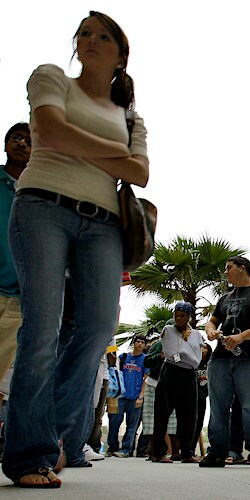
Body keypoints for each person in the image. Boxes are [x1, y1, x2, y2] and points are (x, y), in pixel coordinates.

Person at [2, 11, 149, 488]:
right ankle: (28, 454)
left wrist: (82, 145)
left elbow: (141, 172)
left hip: (105, 225)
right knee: (42, 330)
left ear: (120, 54)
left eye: (102, 36)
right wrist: (114, 157)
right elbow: (51, 131)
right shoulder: (51, 78)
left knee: (97, 328)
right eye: (84, 33)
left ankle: (60, 438)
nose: (89, 40)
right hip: (43, 206)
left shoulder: (129, 115)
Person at [201, 256, 250, 468]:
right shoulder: (224, 298)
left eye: (229, 268)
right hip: (220, 359)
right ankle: (217, 451)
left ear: (242, 269)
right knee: (217, 406)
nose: (226, 272)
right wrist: (211, 332)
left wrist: (241, 337)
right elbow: (212, 321)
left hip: (249, 359)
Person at [0, 123, 30, 407]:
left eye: (29, 140)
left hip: (18, 295)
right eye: (16, 138)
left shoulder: (40, 192)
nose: (21, 143)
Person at [152, 302, 203, 463]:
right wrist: (186, 353)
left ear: (189, 317)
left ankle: (187, 452)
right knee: (162, 412)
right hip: (171, 371)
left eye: (182, 315)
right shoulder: (168, 330)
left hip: (189, 374)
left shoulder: (196, 334)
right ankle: (158, 452)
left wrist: (187, 355)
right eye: (176, 315)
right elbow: (171, 352)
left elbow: (197, 358)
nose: (178, 318)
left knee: (188, 414)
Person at [107, 336, 149, 458]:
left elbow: (145, 379)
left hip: (135, 396)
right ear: (134, 343)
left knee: (132, 425)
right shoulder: (124, 357)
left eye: (142, 342)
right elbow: (115, 371)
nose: (140, 344)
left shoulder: (145, 360)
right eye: (138, 341)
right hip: (120, 395)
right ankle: (112, 447)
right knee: (114, 422)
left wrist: (141, 396)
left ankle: (126, 449)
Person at [142, 334, 179, 459]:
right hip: (154, 384)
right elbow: (147, 361)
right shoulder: (158, 344)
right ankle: (155, 452)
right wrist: (160, 355)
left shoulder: (184, 343)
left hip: (173, 385)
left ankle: (175, 452)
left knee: (174, 419)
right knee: (151, 418)